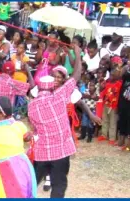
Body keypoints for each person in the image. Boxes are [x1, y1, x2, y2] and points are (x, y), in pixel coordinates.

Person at [27, 46, 84, 198]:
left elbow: (35, 128)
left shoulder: (31, 105)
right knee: (59, 184)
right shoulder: (58, 96)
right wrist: (77, 54)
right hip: (61, 151)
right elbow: (77, 74)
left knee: (33, 181)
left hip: (42, 151)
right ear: (52, 85)